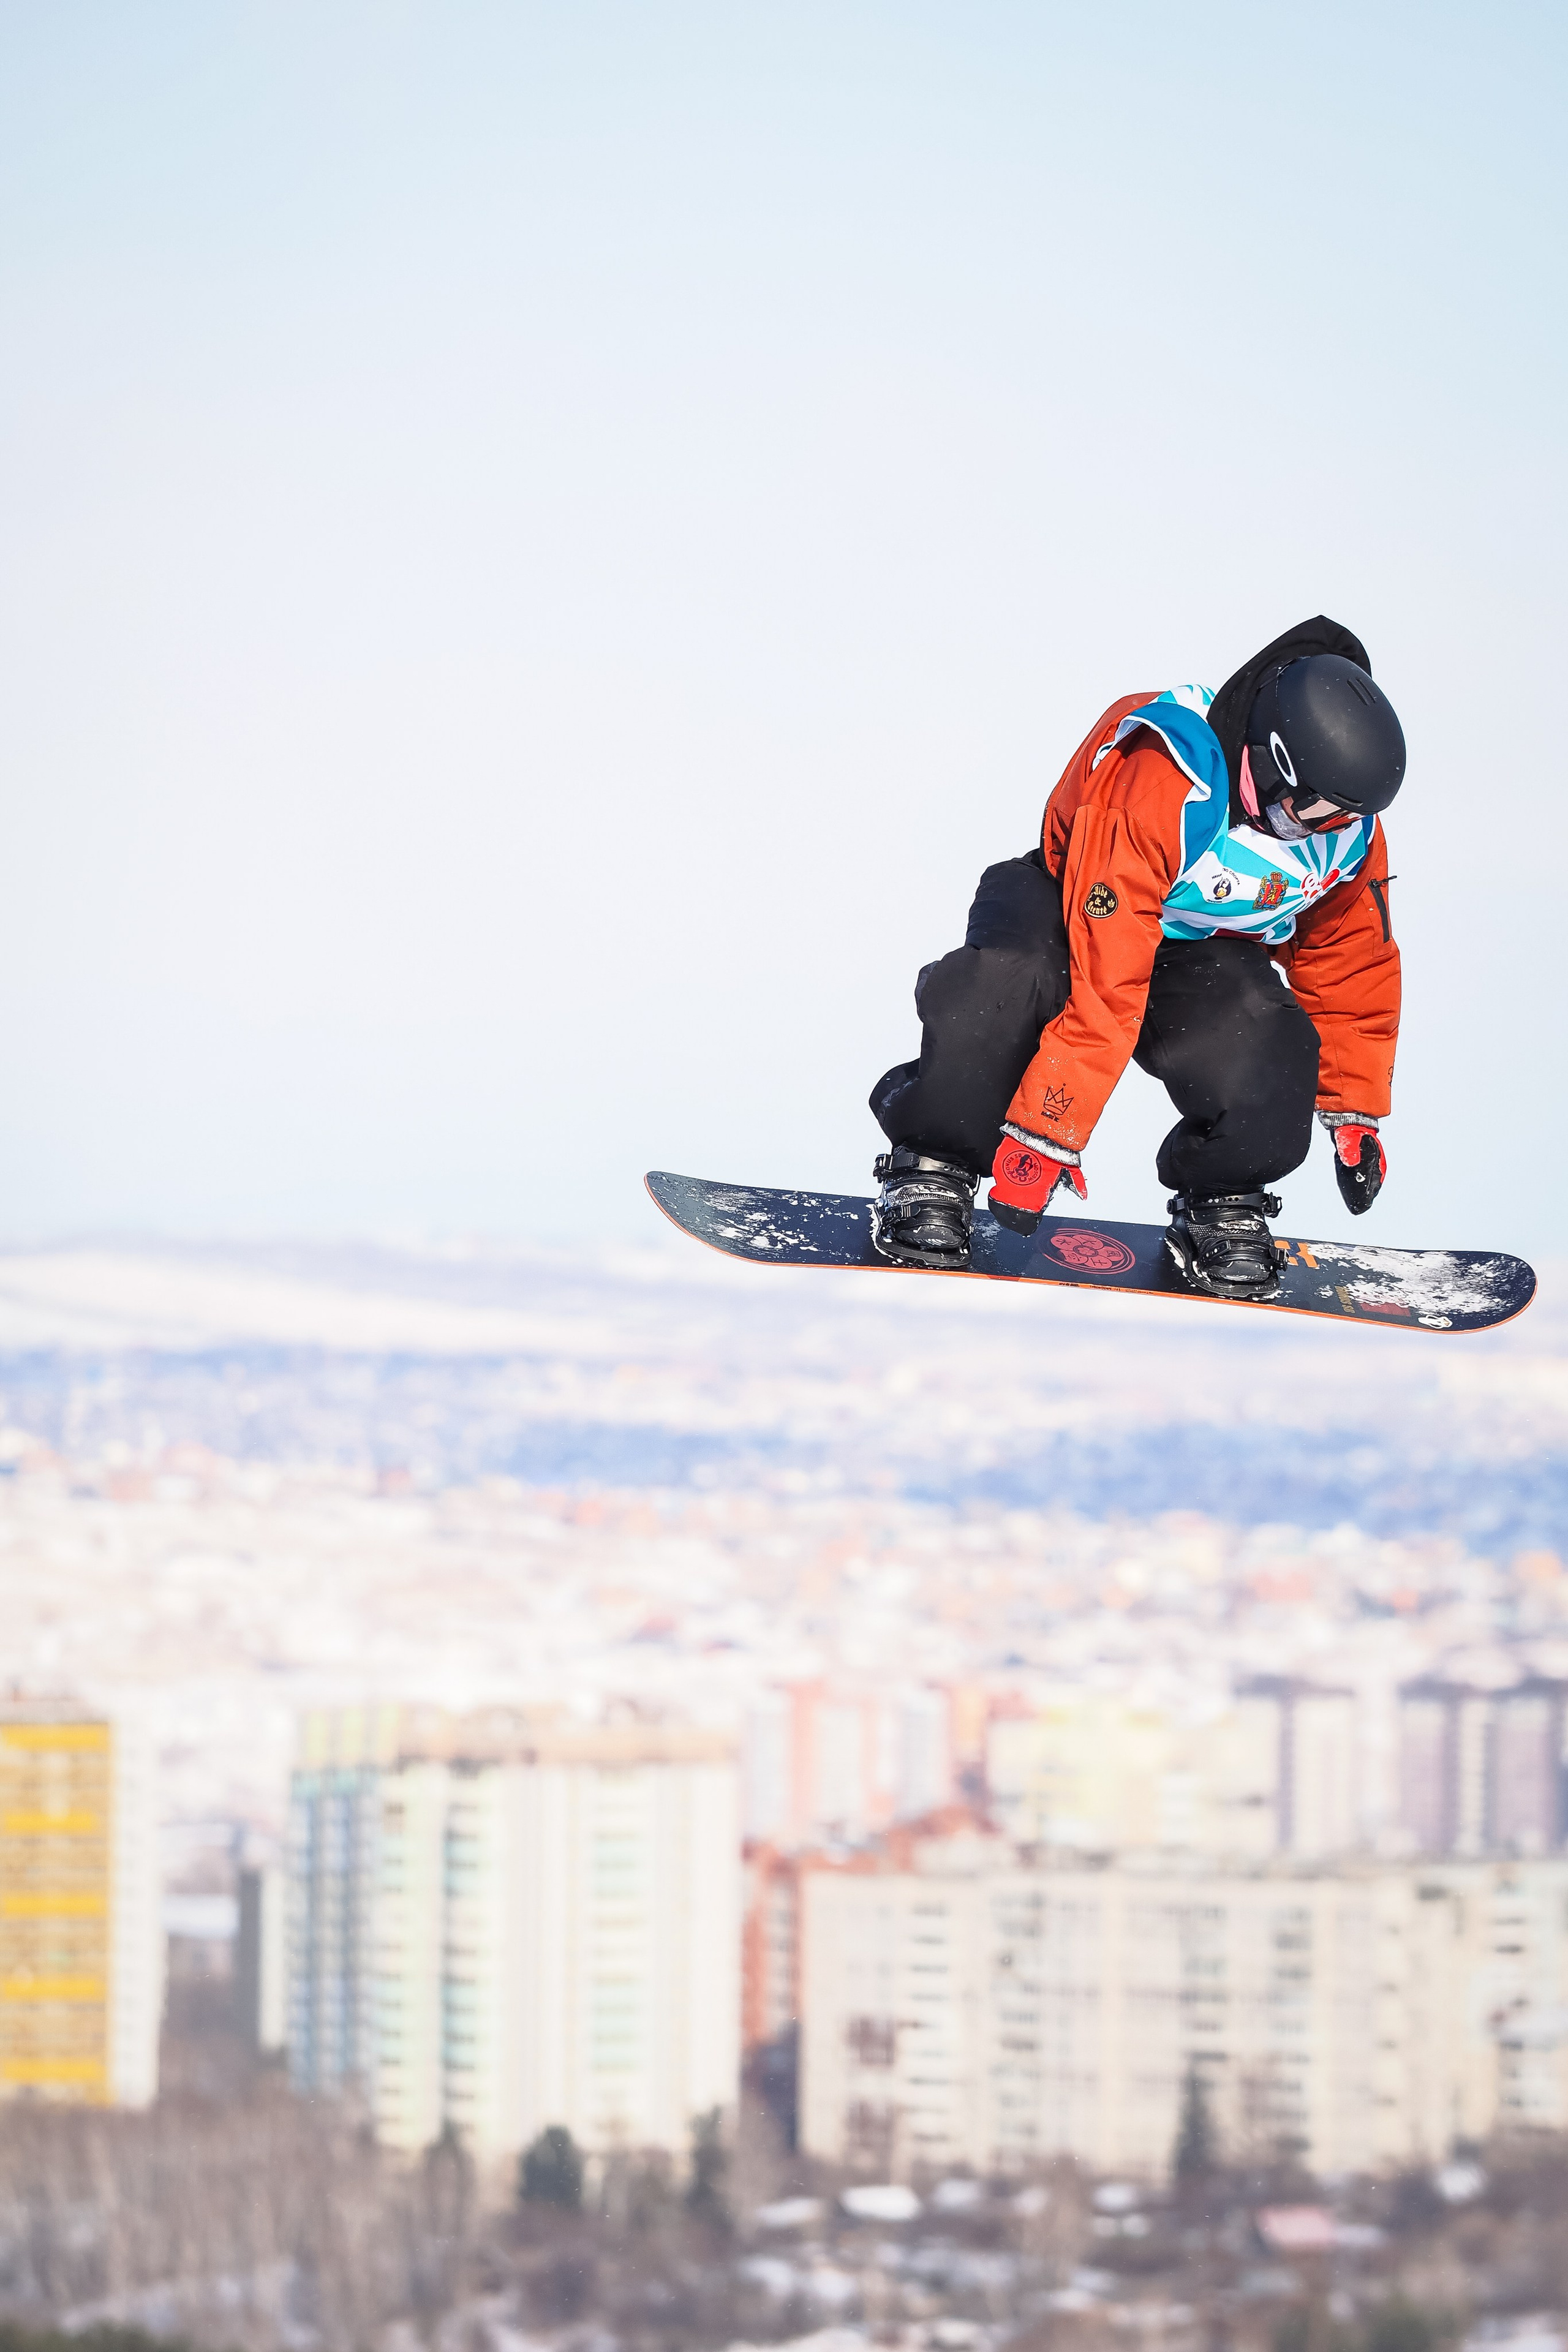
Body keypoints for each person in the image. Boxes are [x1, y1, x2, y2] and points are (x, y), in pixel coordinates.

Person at [869, 616, 1404, 1297]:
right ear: (1267, 760)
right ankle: (933, 1166)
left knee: (1266, 1034)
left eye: (1340, 815)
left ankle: (1223, 1201)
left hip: (1199, 943)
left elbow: (1350, 961)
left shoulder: (1342, 832)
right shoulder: (1167, 772)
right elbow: (1108, 977)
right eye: (1309, 807)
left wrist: (1354, 1108)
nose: (1317, 826)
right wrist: (1048, 1132)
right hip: (1074, 904)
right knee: (1008, 984)